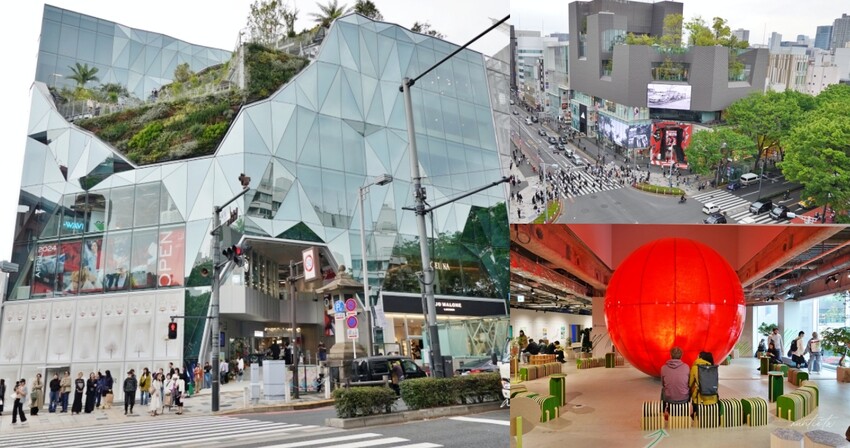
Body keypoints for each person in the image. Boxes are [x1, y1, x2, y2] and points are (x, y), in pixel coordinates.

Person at [660, 347, 690, 420]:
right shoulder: (686, 367)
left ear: (670, 355)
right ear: (681, 356)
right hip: (684, 398)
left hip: (669, 398)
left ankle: (663, 411)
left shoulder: (663, 368)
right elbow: (688, 383)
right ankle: (685, 408)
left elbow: (663, 383)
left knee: (663, 389)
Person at [689, 351, 718, 418]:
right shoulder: (713, 368)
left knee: (693, 391)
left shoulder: (695, 367)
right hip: (713, 398)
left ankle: (695, 414)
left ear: (700, 357)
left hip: (699, 399)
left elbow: (690, 383)